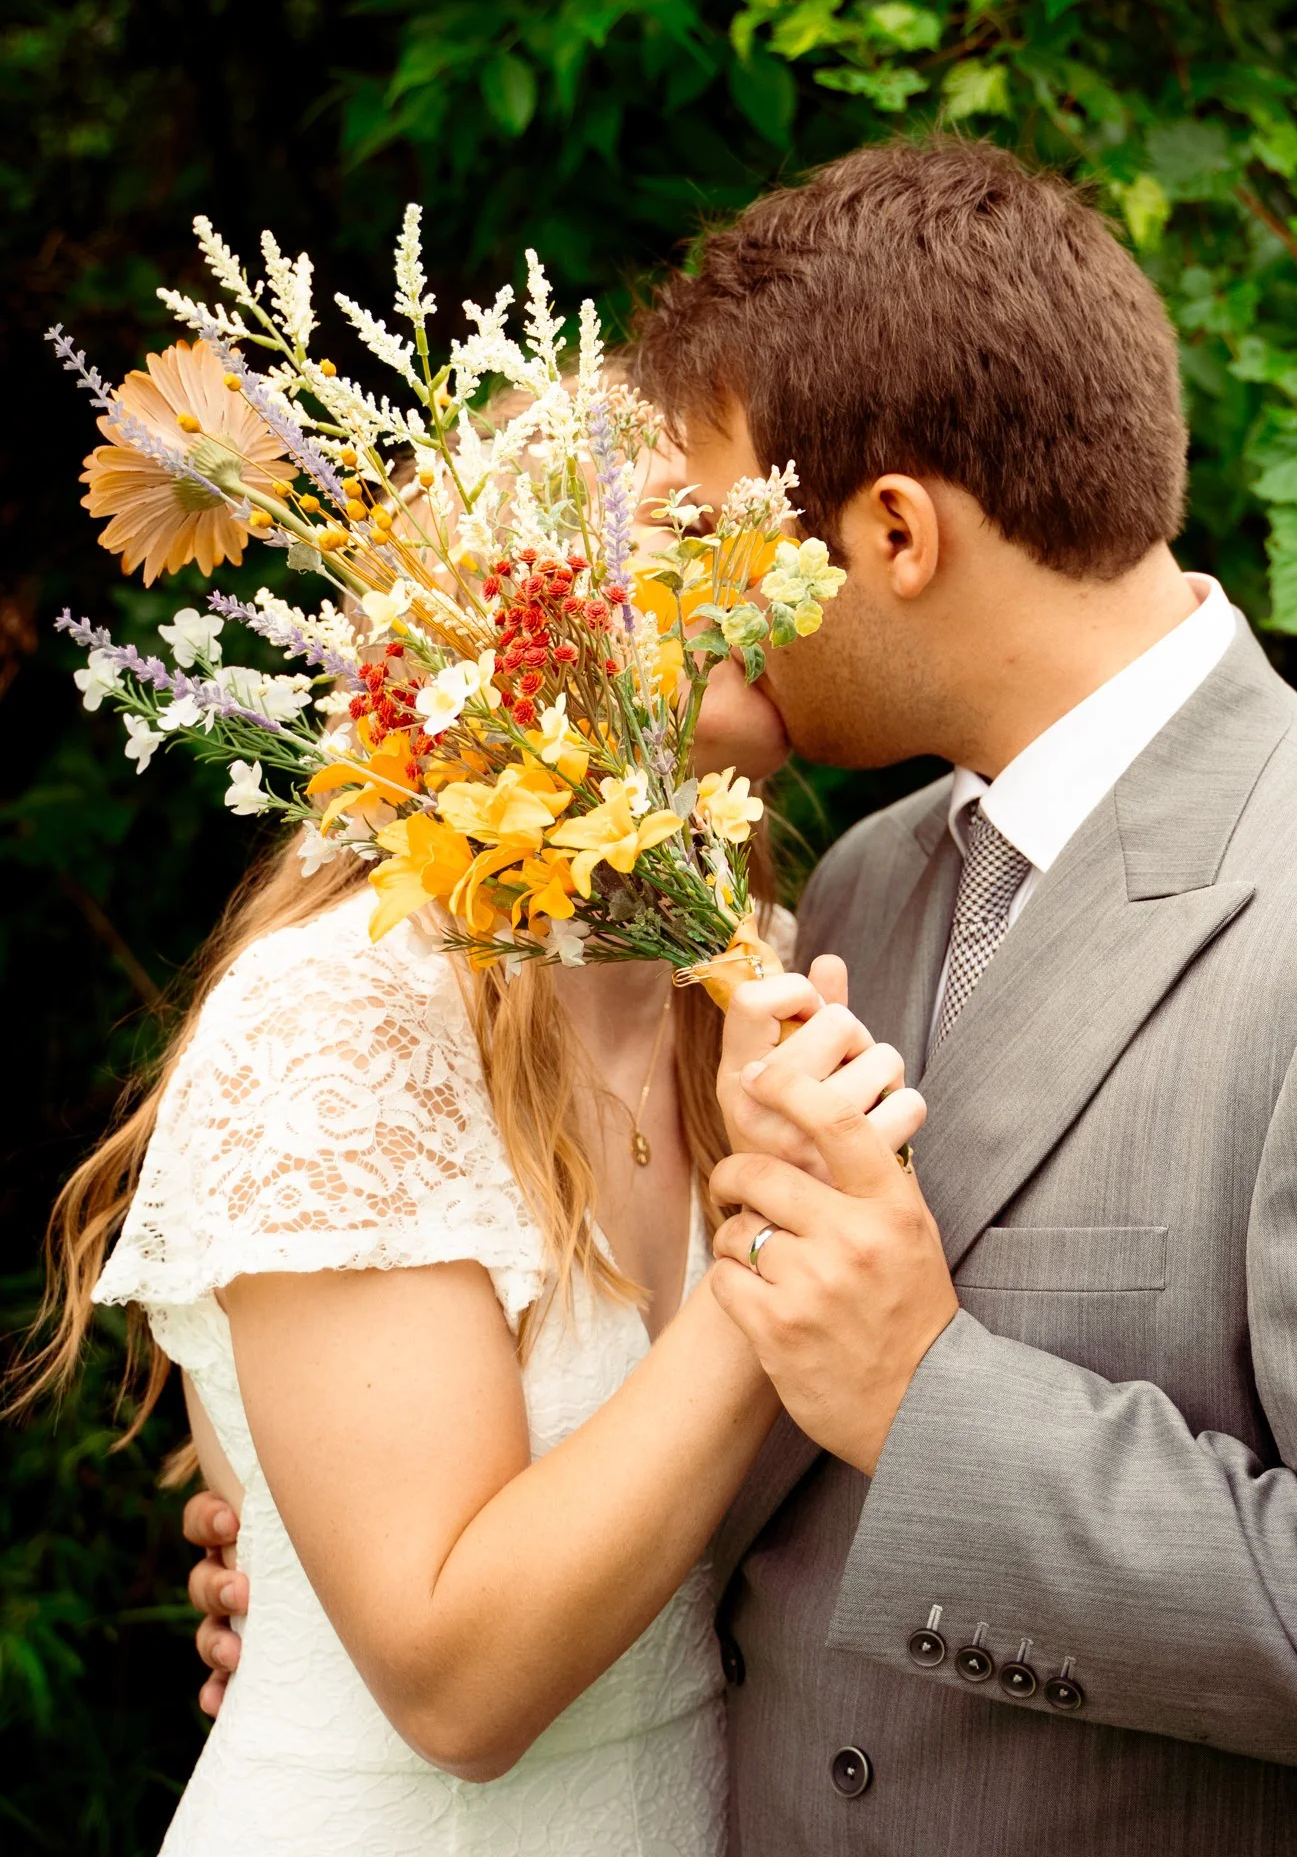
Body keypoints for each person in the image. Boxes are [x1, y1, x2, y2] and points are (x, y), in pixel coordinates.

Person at [190, 137, 1297, 1854]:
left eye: (720, 538)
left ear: (889, 532)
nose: (705, 604)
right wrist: (297, 1540)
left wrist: (933, 1403)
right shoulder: (859, 893)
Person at [16, 427, 920, 1855]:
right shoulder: (339, 1019)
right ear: (518, 617)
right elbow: (456, 1689)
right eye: (695, 542)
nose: (775, 571)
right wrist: (782, 1231)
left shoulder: (767, 982)